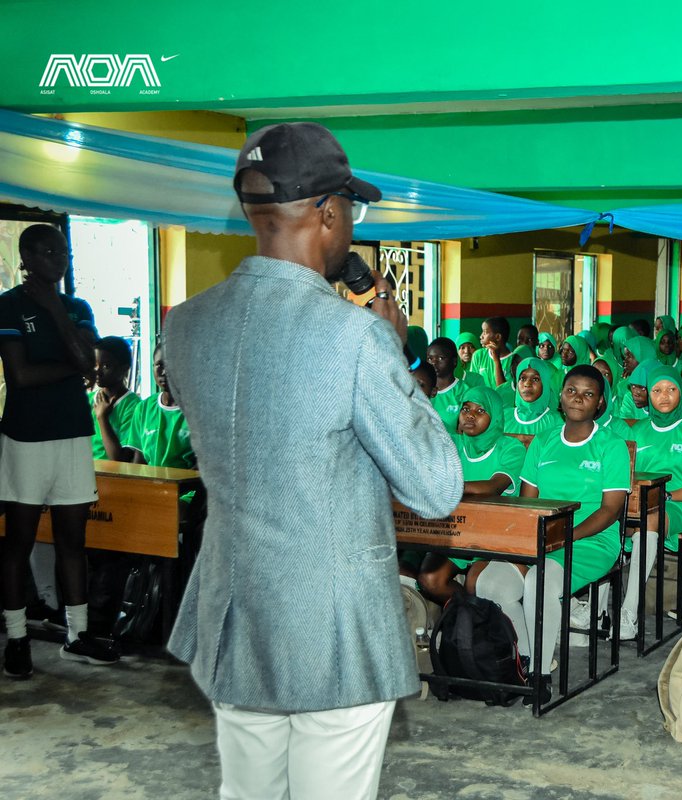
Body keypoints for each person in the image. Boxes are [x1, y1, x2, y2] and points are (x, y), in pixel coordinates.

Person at [161, 122, 463, 798]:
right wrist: (403, 366)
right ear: (327, 212)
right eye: (351, 209)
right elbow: (437, 488)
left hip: (235, 612)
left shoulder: (185, 324)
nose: (352, 226)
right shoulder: (355, 337)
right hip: (332, 628)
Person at [1, 224, 117, 679]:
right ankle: (16, 640)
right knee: (19, 541)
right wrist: (72, 366)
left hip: (71, 435)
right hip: (26, 438)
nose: (60, 258)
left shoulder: (75, 306)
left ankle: (77, 634)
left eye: (64, 251)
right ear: (26, 257)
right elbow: (21, 377)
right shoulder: (8, 306)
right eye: (49, 251)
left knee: (74, 540)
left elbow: (89, 362)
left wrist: (54, 311)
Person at [475, 365, 630, 703]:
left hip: (591, 539)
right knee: (490, 584)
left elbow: (609, 511)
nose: (579, 398)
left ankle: (540, 676)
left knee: (539, 582)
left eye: (589, 394)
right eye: (572, 390)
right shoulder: (543, 441)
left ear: (600, 403)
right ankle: (530, 653)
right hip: (543, 536)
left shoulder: (611, 445)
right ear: (560, 396)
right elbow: (526, 502)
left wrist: (564, 537)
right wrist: (526, 541)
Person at [618, 367, 682, 640]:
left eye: (671, 390)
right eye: (657, 390)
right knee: (605, 519)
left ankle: (629, 614)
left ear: (680, 393)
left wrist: (665, 497)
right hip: (639, 503)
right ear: (649, 395)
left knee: (649, 521)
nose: (664, 396)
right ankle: (594, 609)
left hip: (677, 504)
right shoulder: (638, 431)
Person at [418, 386, 526, 604]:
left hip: (495, 535)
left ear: (494, 416)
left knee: (474, 584)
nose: (470, 415)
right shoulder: (452, 444)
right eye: (466, 409)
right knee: (429, 579)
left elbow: (492, 487)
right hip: (457, 531)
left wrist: (447, 486)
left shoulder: (510, 447)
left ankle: (479, 622)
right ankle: (467, 616)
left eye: (480, 411)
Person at [102, 344, 196, 470]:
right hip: (152, 486)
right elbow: (139, 459)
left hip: (187, 487)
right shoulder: (143, 408)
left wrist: (177, 485)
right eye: (159, 365)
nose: (163, 372)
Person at [90, 336, 142, 461]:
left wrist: (102, 418)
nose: (98, 371)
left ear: (124, 369)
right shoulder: (88, 399)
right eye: (95, 365)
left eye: (106, 366)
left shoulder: (134, 406)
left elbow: (119, 459)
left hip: (111, 476)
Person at [503, 357, 562, 436]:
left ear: (545, 384)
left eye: (535, 379)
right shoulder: (504, 417)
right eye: (522, 378)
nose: (527, 384)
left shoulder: (556, 421)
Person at [427, 337, 473, 434]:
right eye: (430, 359)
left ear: (454, 362)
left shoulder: (465, 392)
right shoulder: (422, 390)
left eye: (440, 358)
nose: (434, 363)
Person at [469, 316, 516, 388]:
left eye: (485, 332)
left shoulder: (513, 360)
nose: (481, 336)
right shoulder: (478, 355)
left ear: (497, 337)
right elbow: (473, 385)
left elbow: (503, 390)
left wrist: (496, 360)